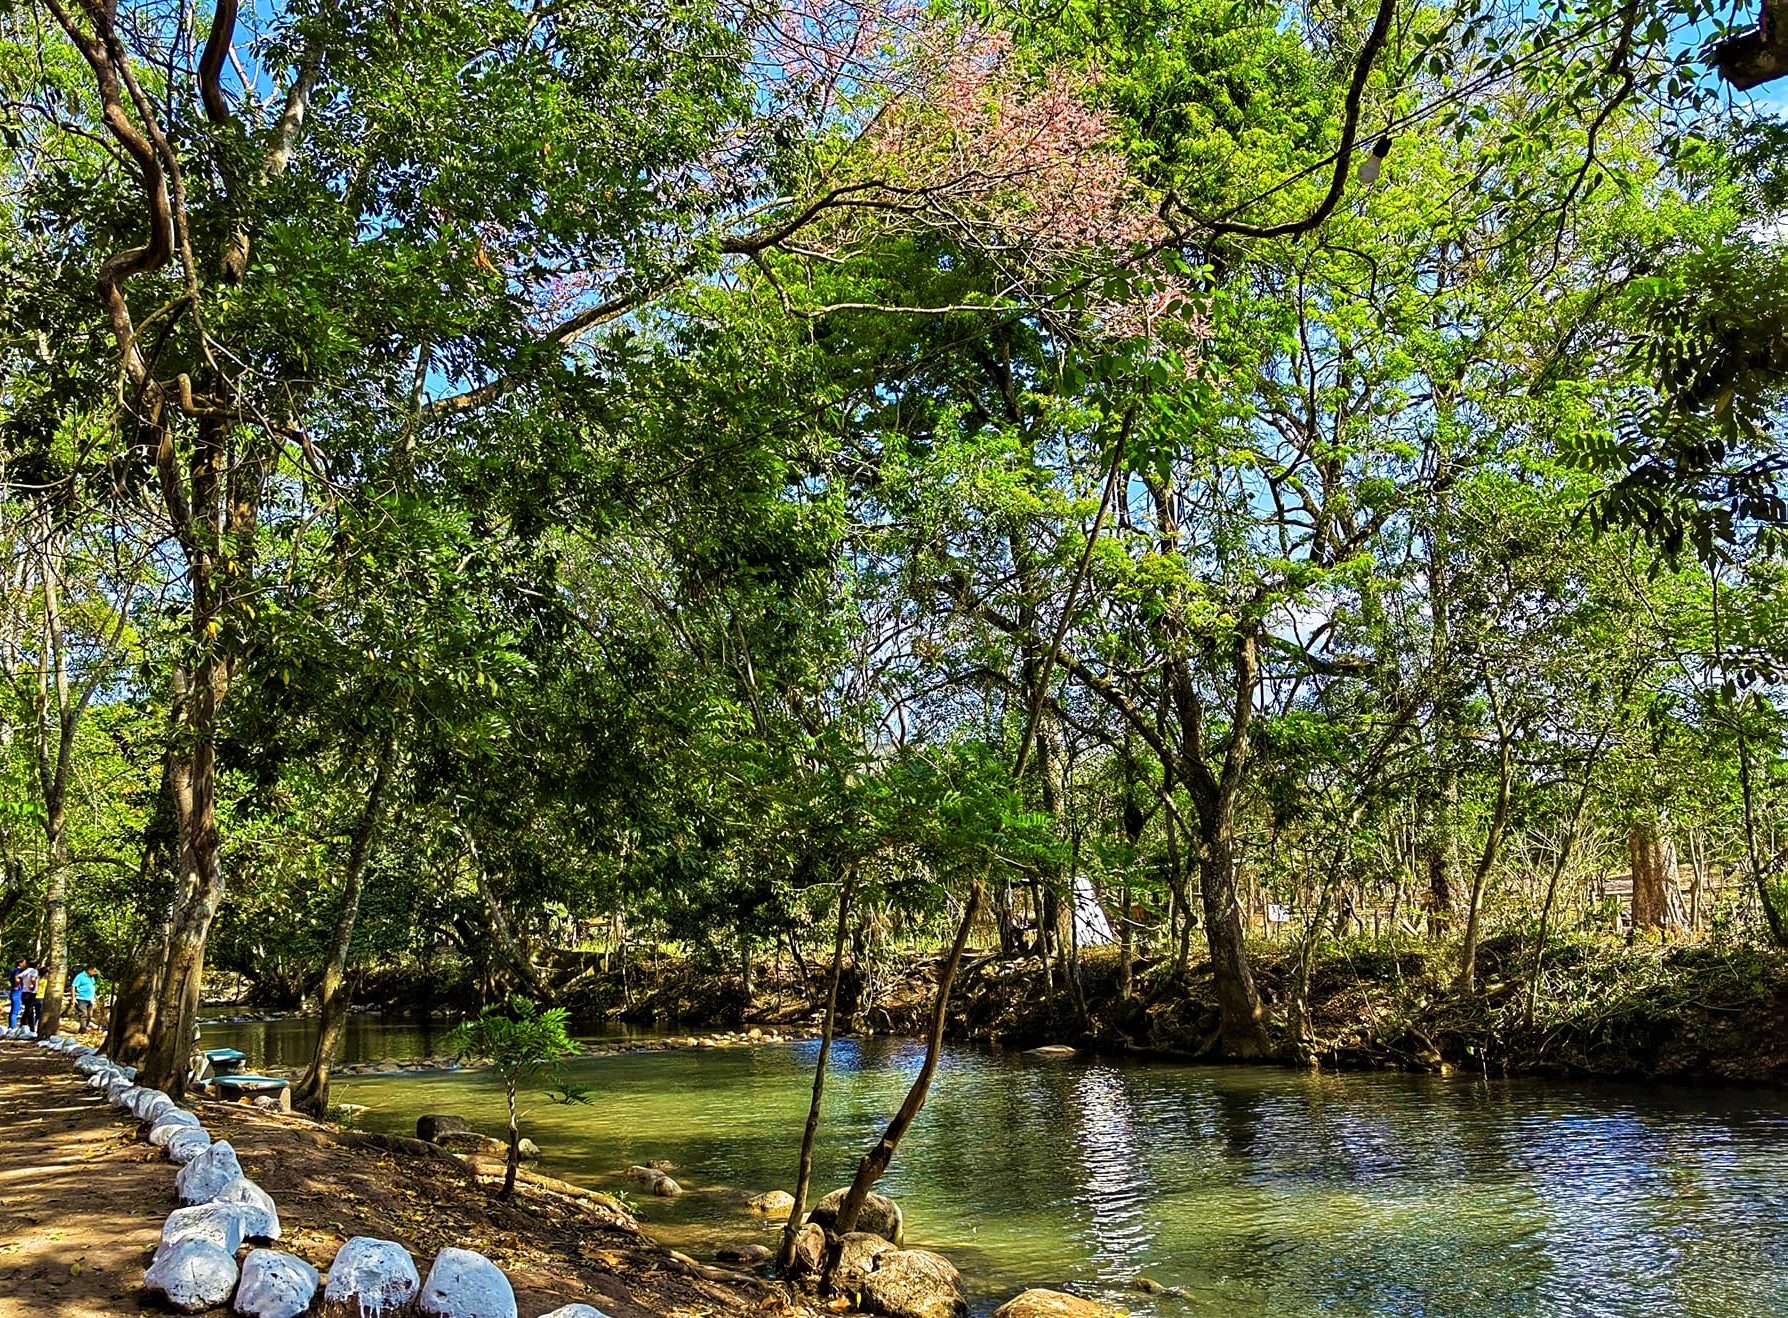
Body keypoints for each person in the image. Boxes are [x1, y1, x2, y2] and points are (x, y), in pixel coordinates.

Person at [68, 966, 99, 1032]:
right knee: (83, 1014)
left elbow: (92, 986)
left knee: (89, 1015)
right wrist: (73, 998)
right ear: (89, 970)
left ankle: (85, 1027)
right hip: (81, 998)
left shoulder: (91, 977)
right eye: (94, 971)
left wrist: (95, 997)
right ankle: (83, 1030)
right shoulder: (80, 976)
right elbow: (73, 986)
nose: (95, 973)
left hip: (90, 999)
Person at [18, 959, 40, 1033]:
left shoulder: (26, 971)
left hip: (24, 992)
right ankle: (27, 1026)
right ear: (37, 965)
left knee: (28, 1010)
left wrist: (19, 984)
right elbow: (33, 978)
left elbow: (18, 977)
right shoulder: (34, 971)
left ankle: (27, 1025)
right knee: (29, 1010)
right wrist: (33, 986)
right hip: (31, 993)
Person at [6, 959, 22, 1029]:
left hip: (13, 991)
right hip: (17, 992)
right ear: (20, 963)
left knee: (13, 1010)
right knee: (15, 1010)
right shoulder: (18, 970)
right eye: (24, 962)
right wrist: (17, 985)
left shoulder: (13, 970)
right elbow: (17, 978)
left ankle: (11, 1026)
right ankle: (13, 1027)